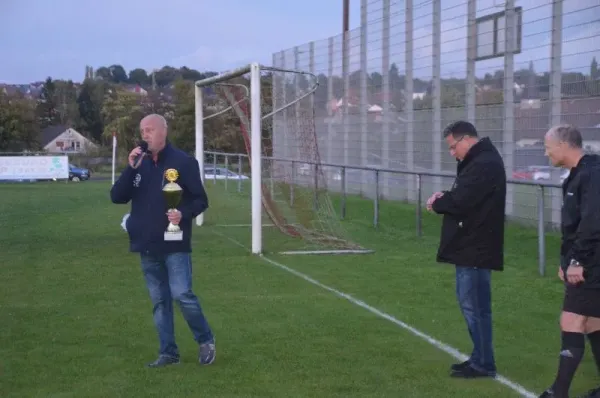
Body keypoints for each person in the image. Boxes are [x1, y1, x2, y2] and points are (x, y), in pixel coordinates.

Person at [110, 114, 216, 368]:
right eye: (142, 130)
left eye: (149, 130)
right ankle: (169, 354)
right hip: (146, 244)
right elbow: (117, 197)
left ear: (163, 132)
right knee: (160, 301)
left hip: (175, 241)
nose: (144, 135)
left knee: (182, 294)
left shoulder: (183, 162)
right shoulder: (139, 164)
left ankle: (205, 340)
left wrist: (184, 213)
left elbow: (200, 200)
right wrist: (130, 168)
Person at [426, 120, 506, 378]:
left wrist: (439, 203)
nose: (452, 154)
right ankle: (480, 358)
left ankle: (483, 363)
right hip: (472, 245)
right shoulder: (479, 161)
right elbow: (463, 195)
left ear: (466, 139)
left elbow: (462, 201)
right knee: (475, 306)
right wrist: (444, 197)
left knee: (475, 307)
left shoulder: (483, 164)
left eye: (452, 147)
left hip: (475, 247)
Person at [538, 124, 600, 398]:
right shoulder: (578, 175)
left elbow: (592, 222)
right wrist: (566, 261)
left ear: (563, 145)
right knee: (595, 322)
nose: (545, 151)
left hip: (592, 264)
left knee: (572, 322)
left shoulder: (591, 174)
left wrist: (577, 261)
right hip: (588, 262)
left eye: (548, 146)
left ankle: (557, 392)